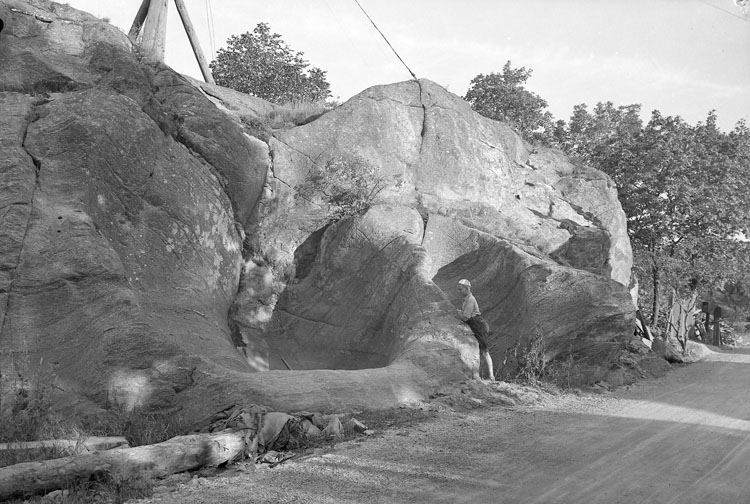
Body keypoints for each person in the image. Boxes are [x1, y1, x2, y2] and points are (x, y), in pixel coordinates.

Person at [456, 279, 494, 381]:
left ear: (467, 289)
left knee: (484, 351)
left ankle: (491, 376)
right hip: (475, 324)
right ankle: (477, 375)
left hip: (478, 325)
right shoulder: (465, 299)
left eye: (460, 289)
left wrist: (458, 313)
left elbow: (465, 317)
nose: (458, 292)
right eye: (458, 289)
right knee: (476, 349)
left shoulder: (470, 300)